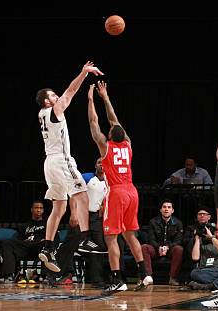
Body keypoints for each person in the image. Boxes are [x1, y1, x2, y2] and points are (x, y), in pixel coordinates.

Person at [36, 61, 105, 273]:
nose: (57, 97)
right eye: (53, 96)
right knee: (82, 194)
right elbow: (70, 92)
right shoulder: (53, 110)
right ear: (47, 101)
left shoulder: (41, 115)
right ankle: (85, 239)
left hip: (49, 163)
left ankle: (47, 247)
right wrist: (84, 73)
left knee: (59, 208)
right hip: (62, 160)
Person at [87, 81, 152, 295]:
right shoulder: (128, 144)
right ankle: (145, 274)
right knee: (130, 235)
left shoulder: (105, 147)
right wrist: (105, 96)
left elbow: (94, 122)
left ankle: (118, 279)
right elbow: (113, 120)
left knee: (111, 238)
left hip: (116, 192)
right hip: (132, 191)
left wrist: (90, 99)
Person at [53, 159, 108, 287]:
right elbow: (74, 194)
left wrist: (104, 207)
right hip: (81, 215)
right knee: (71, 244)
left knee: (97, 247)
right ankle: (65, 275)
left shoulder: (109, 181)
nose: (101, 164)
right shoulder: (86, 177)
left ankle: (97, 280)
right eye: (99, 162)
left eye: (104, 162)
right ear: (95, 165)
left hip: (96, 218)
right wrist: (73, 213)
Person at [0, 201, 47, 283]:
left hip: (39, 248)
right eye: (36, 208)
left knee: (47, 243)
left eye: (41, 208)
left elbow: (55, 239)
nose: (38, 210)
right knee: (7, 243)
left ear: (43, 210)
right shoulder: (25, 225)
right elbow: (18, 240)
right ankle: (9, 275)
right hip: (25, 248)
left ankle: (46, 276)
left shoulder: (47, 224)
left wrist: (44, 240)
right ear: (32, 210)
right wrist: (23, 241)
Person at [142, 199, 184, 285]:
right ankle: (148, 277)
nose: (166, 209)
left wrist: (167, 247)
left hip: (170, 249)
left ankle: (173, 277)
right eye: (164, 207)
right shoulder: (153, 222)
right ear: (160, 210)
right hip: (156, 248)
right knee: (144, 247)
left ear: (172, 210)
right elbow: (151, 239)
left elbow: (178, 240)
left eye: (169, 207)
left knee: (179, 249)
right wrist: (159, 247)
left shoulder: (178, 223)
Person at [188, 206, 218, 290]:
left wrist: (212, 238)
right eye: (216, 230)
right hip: (205, 270)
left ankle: (207, 286)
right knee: (194, 273)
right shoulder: (206, 243)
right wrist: (198, 237)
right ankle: (216, 284)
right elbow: (195, 257)